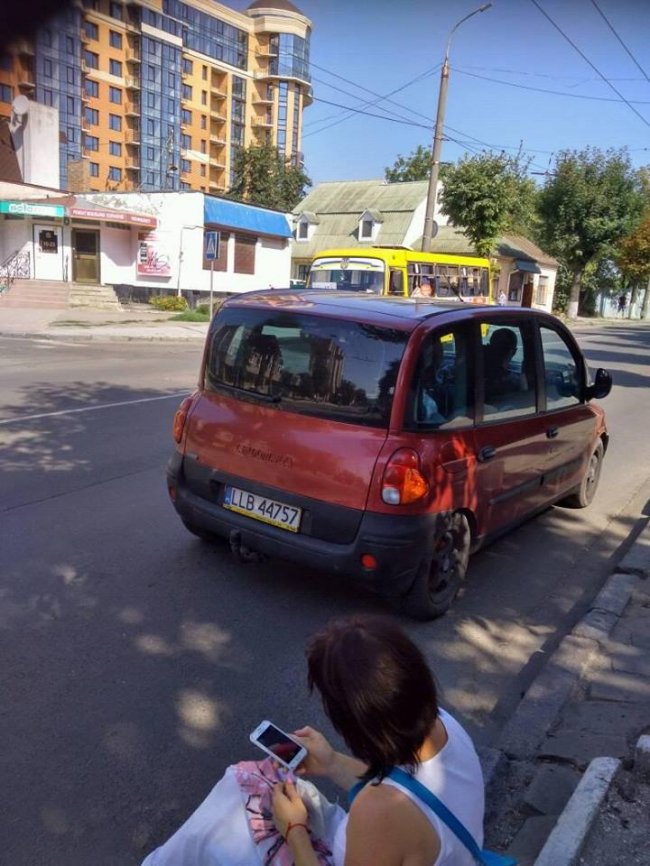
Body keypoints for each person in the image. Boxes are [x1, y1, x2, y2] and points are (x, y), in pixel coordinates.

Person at [141, 615, 486, 866]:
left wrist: (294, 829)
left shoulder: (377, 813)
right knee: (243, 788)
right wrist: (333, 763)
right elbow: (404, 788)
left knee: (233, 802)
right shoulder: (443, 724)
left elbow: (389, 805)